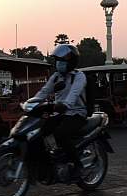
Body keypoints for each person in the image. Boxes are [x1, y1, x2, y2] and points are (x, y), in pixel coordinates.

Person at [32, 44, 87, 178]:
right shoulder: (56, 76)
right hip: (60, 113)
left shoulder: (79, 76)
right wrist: (30, 103)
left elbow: (73, 95)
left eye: (62, 61)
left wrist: (64, 105)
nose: (59, 64)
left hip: (76, 113)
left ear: (71, 62)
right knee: (39, 131)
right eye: (57, 61)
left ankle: (78, 166)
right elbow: (43, 92)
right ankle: (46, 165)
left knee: (60, 134)